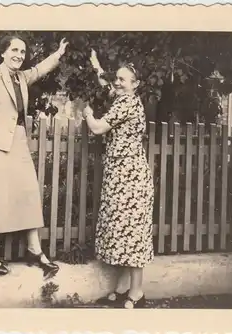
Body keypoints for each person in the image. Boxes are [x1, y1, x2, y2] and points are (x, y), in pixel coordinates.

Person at [0, 35, 69, 279]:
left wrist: (58, 53)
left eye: (22, 52)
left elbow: (39, 69)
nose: (19, 55)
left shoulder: (21, 77)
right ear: (3, 52)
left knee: (28, 192)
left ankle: (34, 250)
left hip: (18, 142)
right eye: (14, 50)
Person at [82, 49, 155, 309]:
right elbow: (108, 83)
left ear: (135, 85)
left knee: (132, 233)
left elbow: (99, 127)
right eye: (118, 78)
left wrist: (88, 113)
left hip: (130, 177)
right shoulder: (123, 98)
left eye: (123, 80)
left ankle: (137, 293)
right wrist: (96, 65)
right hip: (122, 175)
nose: (118, 82)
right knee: (123, 232)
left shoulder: (127, 103)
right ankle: (124, 288)